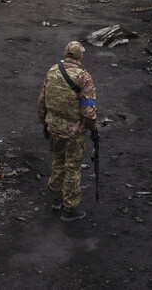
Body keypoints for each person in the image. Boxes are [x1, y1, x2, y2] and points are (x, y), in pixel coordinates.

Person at [37, 41, 98, 221]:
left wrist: (44, 123)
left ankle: (56, 198)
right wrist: (93, 128)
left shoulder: (52, 71)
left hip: (54, 128)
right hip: (74, 132)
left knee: (58, 160)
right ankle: (70, 208)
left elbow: (42, 101)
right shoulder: (84, 78)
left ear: (65, 54)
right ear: (80, 56)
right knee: (72, 167)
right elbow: (88, 110)